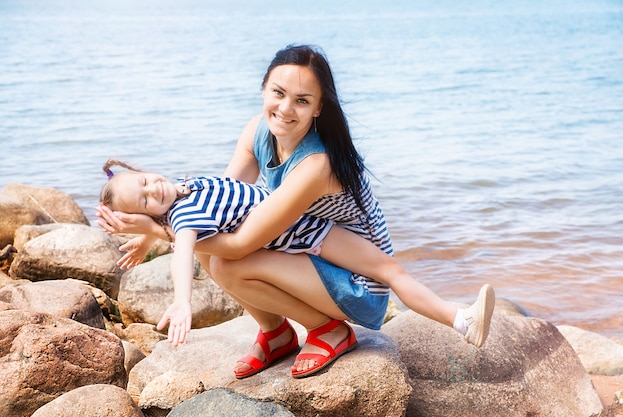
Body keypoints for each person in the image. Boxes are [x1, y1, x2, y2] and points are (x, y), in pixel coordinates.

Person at [96, 44, 496, 380]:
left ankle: (329, 330)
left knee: (224, 264)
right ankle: (276, 334)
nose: (286, 109)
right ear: (263, 89)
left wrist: (157, 229)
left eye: (302, 101)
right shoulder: (258, 131)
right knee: (211, 251)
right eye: (278, 92)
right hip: (314, 249)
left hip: (357, 277)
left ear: (319, 109)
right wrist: (151, 229)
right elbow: (207, 209)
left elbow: (238, 244)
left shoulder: (315, 165)